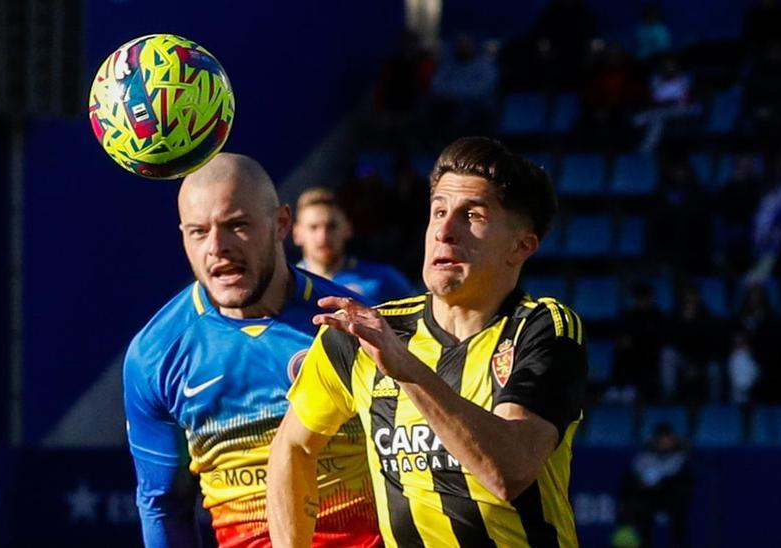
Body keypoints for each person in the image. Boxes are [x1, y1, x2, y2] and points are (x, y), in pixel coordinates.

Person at [269, 137, 587, 546]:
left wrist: (410, 371)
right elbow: (291, 449)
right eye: (438, 211)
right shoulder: (362, 336)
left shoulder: (543, 329)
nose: (444, 230)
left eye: (472, 215)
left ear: (520, 246)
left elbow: (509, 471)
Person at [124, 154, 381, 547]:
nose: (217, 247)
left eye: (237, 225)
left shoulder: (352, 324)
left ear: (280, 224)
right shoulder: (155, 355)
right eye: (198, 232)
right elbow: (163, 505)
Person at [293, 187, 417, 305]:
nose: (323, 236)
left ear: (348, 228)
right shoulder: (287, 287)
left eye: (331, 226)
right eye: (313, 227)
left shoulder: (385, 279)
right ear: (297, 234)